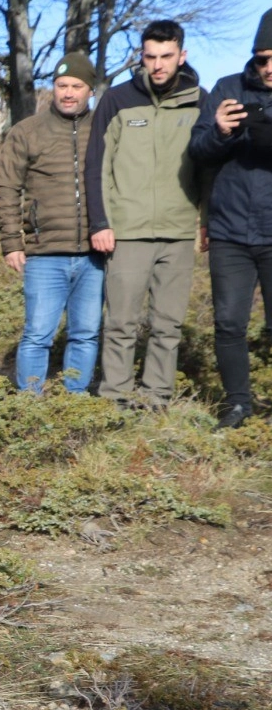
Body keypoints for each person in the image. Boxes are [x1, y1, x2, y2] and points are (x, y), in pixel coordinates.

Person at [85, 20, 206, 411]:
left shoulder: (200, 100)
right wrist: (100, 223)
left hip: (178, 229)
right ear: (142, 56)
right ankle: (115, 396)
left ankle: (157, 396)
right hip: (128, 231)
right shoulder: (116, 99)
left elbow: (210, 166)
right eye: (150, 56)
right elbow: (96, 166)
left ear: (181, 55)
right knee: (120, 322)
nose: (158, 65)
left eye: (166, 56)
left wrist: (206, 221)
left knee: (167, 325)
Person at [0, 52, 103, 395]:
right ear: (52, 88)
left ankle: (75, 403)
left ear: (90, 90)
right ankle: (29, 404)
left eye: (76, 86)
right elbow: (6, 187)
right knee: (38, 333)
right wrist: (12, 242)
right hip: (44, 253)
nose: (68, 92)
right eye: (61, 85)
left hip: (94, 253)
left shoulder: (104, 128)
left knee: (85, 333)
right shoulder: (27, 131)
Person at [187, 9, 272, 430]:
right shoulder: (226, 89)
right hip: (230, 232)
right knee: (229, 323)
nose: (269, 67)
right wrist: (220, 130)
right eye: (262, 58)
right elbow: (198, 151)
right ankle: (238, 405)